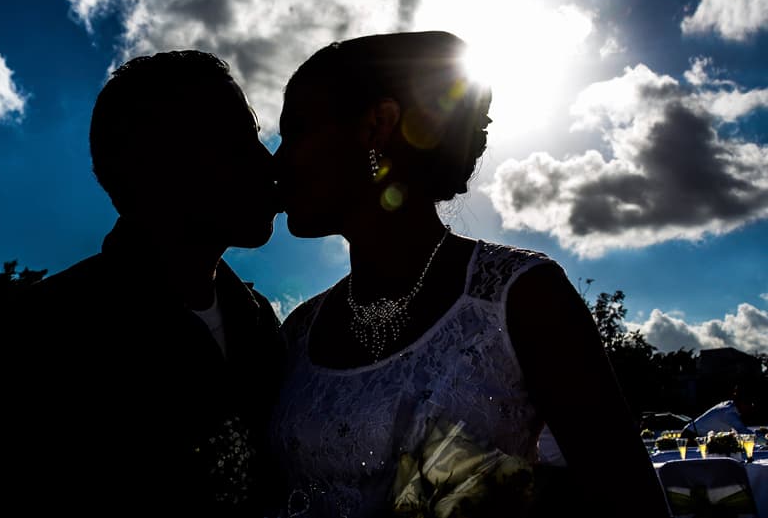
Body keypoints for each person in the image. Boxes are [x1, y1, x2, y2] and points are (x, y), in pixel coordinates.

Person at [270, 31, 670, 518]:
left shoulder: (523, 298)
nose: (278, 160)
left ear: (378, 125)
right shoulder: (299, 331)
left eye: (294, 132)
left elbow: (632, 502)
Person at [0, 50, 285, 517]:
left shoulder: (261, 324)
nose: (268, 165)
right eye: (239, 144)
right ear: (165, 167)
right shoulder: (44, 331)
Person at [683, 386, 755, 437]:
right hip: (691, 437)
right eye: (749, 403)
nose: (751, 406)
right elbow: (744, 433)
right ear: (741, 401)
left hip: (693, 434)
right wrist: (764, 438)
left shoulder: (729, 405)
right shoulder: (729, 413)